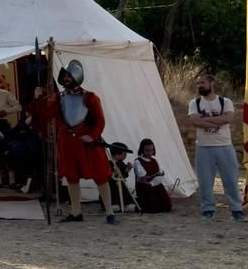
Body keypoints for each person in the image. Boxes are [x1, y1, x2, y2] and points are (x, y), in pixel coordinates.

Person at [51, 60, 117, 225]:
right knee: (71, 177)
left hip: (87, 141)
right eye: (64, 76)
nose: (66, 79)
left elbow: (100, 121)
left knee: (101, 176)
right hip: (68, 141)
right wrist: (40, 98)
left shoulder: (90, 97)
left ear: (76, 76)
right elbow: (53, 115)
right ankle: (75, 212)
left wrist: (92, 136)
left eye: (69, 76)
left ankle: (110, 212)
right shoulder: (59, 97)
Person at [186, 72, 243, 222]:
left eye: (202, 83)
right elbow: (194, 121)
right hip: (204, 147)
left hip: (224, 146)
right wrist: (217, 121)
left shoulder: (225, 102)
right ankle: (208, 209)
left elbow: (228, 118)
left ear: (211, 83)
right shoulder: (194, 103)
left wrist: (206, 120)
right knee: (205, 182)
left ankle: (236, 209)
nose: (199, 86)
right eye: (198, 83)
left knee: (230, 180)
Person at [132, 138, 171, 213]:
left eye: (151, 150)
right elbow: (143, 178)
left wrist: (159, 175)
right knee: (153, 207)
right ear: (142, 150)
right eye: (147, 151)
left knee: (166, 206)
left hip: (155, 185)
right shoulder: (138, 162)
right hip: (144, 187)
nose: (149, 153)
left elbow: (159, 173)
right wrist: (155, 175)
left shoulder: (154, 160)